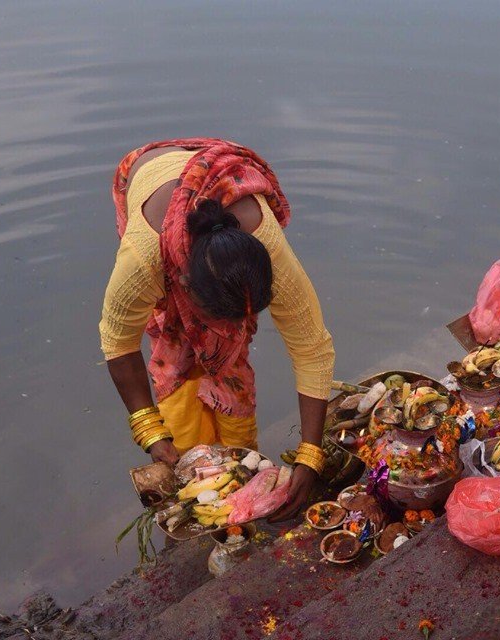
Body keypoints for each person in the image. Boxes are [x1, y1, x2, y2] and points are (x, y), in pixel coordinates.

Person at [99, 138, 334, 521]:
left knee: (227, 354)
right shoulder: (144, 260)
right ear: (186, 287)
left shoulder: (266, 245)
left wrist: (312, 453)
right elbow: (117, 341)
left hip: (208, 191)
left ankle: (238, 467)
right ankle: (190, 459)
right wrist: (150, 432)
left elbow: (312, 346)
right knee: (178, 352)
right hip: (148, 182)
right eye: (222, 316)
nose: (236, 329)